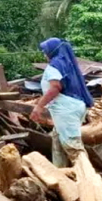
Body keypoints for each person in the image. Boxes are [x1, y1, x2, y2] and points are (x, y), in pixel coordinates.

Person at [32, 38, 94, 167]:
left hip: (66, 109)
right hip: (74, 106)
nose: (44, 54)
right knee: (58, 141)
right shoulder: (68, 64)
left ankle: (88, 177)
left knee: (72, 146)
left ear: (52, 51)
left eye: (45, 51)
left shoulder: (55, 65)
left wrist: (39, 106)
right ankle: (60, 172)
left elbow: (55, 87)